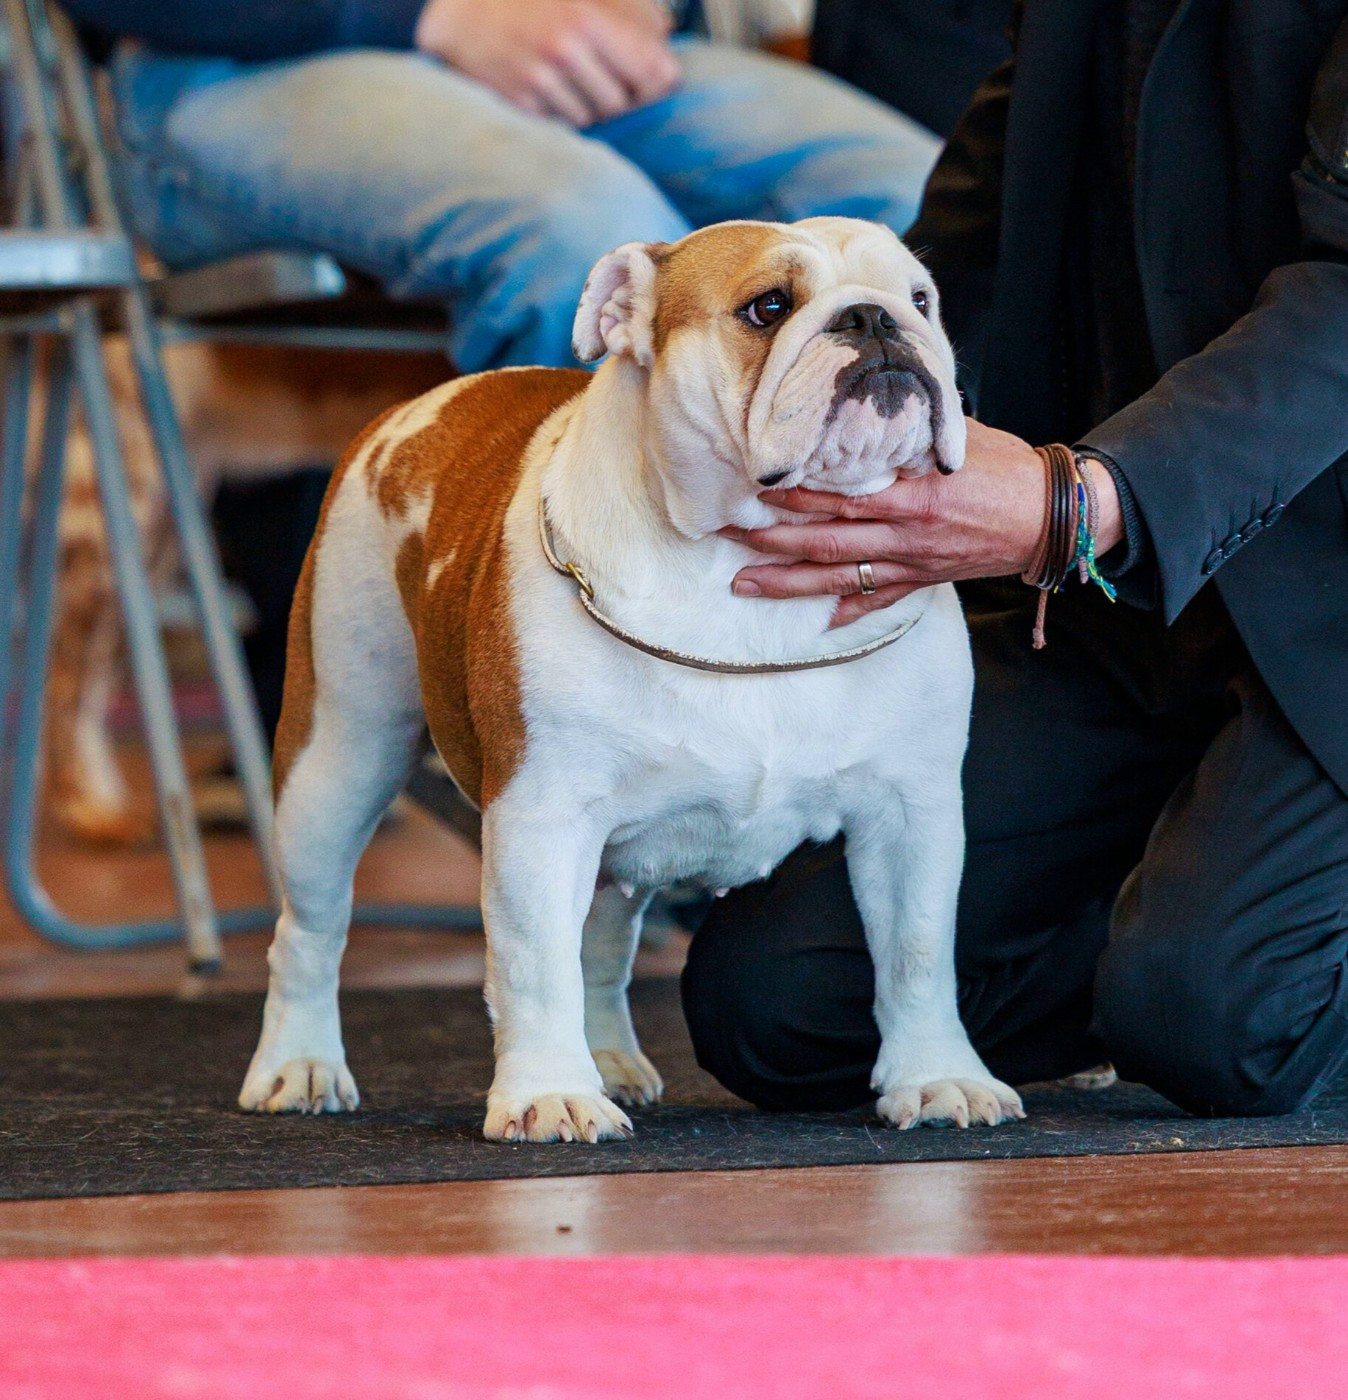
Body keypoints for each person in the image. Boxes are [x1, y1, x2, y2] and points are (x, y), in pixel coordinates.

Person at [682, 2, 1348, 1120]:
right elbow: (990, 200)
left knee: (1233, 1020)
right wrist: (856, 410)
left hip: (1309, 576)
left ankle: (1207, 956)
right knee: (783, 1006)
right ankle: (1189, 924)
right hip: (1127, 594)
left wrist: (1080, 500)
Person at [67, 0, 942, 372]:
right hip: (248, 53)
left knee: (921, 195)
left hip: (562, 36)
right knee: (585, 233)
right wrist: (439, 16)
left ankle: (921, 606)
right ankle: (587, 665)